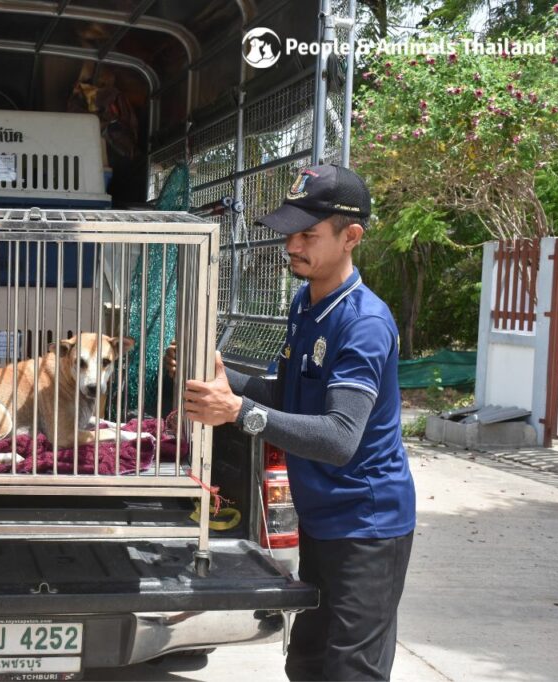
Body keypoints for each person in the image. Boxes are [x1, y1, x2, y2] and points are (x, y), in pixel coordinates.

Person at [170, 164, 415, 681]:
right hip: (323, 519)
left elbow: (339, 437)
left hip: (367, 527)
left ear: (351, 237)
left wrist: (239, 412)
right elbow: (286, 396)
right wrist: (226, 378)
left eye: (308, 234)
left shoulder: (364, 324)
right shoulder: (306, 303)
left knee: (351, 670)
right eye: (290, 233)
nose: (292, 246)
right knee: (306, 662)